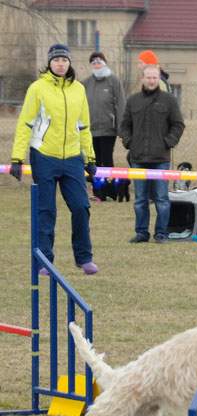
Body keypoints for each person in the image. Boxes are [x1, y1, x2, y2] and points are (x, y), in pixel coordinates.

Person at [10, 44, 98, 275]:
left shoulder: (78, 89)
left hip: (72, 158)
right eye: (57, 60)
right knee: (46, 210)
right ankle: (44, 262)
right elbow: (25, 124)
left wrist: (90, 157)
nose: (61, 63)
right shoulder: (37, 88)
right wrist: (17, 157)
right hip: (44, 156)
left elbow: (84, 126)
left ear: (70, 63)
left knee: (81, 207)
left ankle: (84, 258)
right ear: (49, 63)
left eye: (64, 60)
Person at [119, 65, 185, 243]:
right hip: (138, 158)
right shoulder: (133, 101)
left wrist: (167, 143)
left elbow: (178, 125)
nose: (151, 80)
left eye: (155, 78)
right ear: (142, 78)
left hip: (160, 159)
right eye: (148, 77)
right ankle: (142, 233)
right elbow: (124, 125)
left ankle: (161, 233)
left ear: (159, 79)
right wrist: (129, 142)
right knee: (140, 199)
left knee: (162, 199)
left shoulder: (169, 100)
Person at [82, 51, 126, 201]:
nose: (96, 64)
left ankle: (111, 190)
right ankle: (98, 192)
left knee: (107, 160)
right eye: (93, 62)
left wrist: (121, 128)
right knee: (94, 161)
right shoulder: (86, 83)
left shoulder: (114, 81)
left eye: (99, 61)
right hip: (90, 130)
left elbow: (120, 105)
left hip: (108, 130)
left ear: (105, 63)